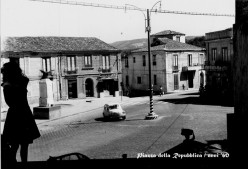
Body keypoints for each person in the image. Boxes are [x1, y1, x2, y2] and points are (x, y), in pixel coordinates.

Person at [1, 62, 41, 164]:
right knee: (22, 145)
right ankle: (20, 163)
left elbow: (9, 102)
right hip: (23, 114)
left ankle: (14, 163)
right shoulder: (21, 82)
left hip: (16, 114)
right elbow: (10, 101)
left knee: (16, 145)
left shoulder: (8, 85)